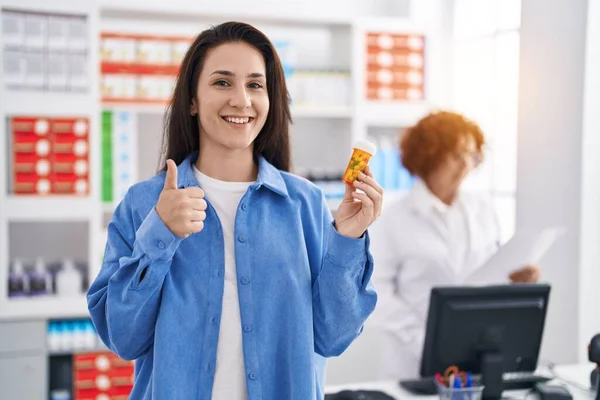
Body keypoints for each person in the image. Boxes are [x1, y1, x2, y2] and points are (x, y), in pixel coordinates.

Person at [87, 22, 382, 400]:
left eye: (255, 85)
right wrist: (160, 234)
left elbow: (333, 337)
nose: (241, 100)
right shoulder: (145, 205)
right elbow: (123, 337)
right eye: (222, 83)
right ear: (192, 100)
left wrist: (348, 238)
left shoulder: (304, 204)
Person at [369, 110, 540, 381]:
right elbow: (378, 294)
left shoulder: (483, 209)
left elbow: (490, 274)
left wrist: (516, 283)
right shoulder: (393, 218)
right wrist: (425, 341)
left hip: (478, 356)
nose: (465, 166)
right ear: (428, 156)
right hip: (413, 365)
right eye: (455, 156)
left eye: (471, 156)